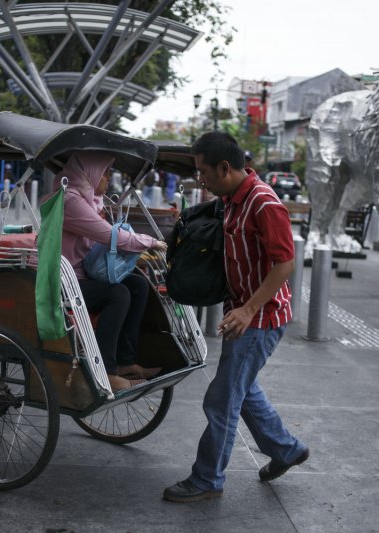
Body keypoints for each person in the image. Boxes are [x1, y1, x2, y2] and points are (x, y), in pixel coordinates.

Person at [163, 132, 308, 503]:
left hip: (260, 318)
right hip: (241, 312)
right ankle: (286, 449)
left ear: (225, 168)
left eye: (203, 173)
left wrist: (248, 308)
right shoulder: (231, 199)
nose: (201, 181)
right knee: (242, 392)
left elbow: (285, 263)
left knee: (221, 399)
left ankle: (207, 478)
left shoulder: (263, 203)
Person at [60, 151, 167, 391]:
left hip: (84, 274)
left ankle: (124, 361)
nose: (108, 179)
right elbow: (109, 236)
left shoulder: (91, 200)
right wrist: (148, 242)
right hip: (64, 280)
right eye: (105, 173)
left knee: (138, 285)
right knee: (117, 293)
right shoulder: (70, 200)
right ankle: (106, 371)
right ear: (91, 172)